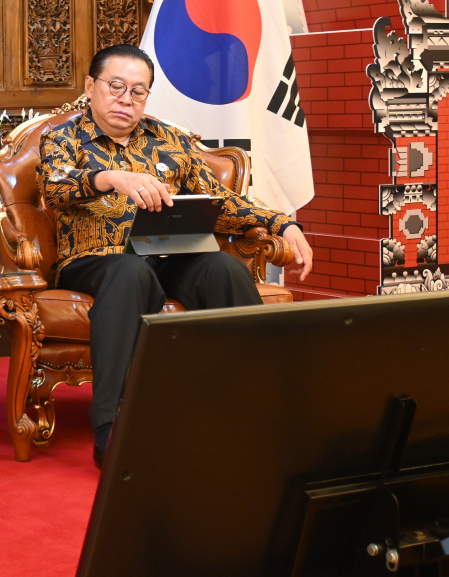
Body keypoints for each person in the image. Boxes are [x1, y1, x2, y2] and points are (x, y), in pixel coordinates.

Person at [37, 43, 313, 468]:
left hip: (168, 255)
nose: (126, 100)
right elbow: (55, 186)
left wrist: (282, 223)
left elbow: (220, 200)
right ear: (91, 86)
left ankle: (263, 413)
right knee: (129, 273)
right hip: (96, 259)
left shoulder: (169, 140)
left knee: (223, 267)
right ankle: (112, 430)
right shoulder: (62, 136)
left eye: (138, 92)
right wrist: (110, 177)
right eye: (115, 87)